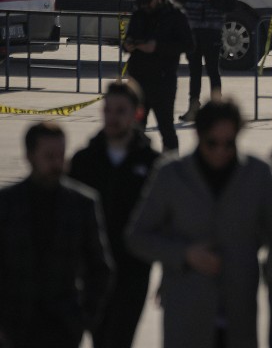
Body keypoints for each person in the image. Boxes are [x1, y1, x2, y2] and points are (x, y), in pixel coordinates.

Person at [127, 99, 272, 348]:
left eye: (229, 144)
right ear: (199, 135)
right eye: (212, 143)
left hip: (239, 314)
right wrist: (184, 254)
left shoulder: (260, 173)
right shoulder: (171, 174)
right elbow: (137, 236)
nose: (220, 151)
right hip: (187, 312)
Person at [0, 122, 113, 348]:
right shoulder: (7, 204)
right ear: (30, 156)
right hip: (15, 328)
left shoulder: (82, 204)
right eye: (49, 156)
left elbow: (100, 268)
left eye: (61, 155)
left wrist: (84, 319)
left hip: (63, 328)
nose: (56, 163)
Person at [69, 81, 159, 348]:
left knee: (120, 339)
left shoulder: (152, 163)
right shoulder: (84, 161)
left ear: (137, 114)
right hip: (92, 271)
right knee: (100, 338)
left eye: (121, 111)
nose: (112, 117)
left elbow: (166, 220)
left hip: (134, 270)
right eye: (108, 110)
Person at [124, 0, 193, 152]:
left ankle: (171, 166)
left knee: (166, 127)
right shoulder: (139, 14)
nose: (146, 6)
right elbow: (128, 38)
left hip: (163, 81)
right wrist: (128, 44)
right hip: (138, 81)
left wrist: (158, 47)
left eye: (148, 1)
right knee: (135, 128)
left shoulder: (174, 15)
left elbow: (189, 45)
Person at [173, 0, 235, 122]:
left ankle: (218, 108)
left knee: (213, 70)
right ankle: (193, 106)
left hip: (211, 32)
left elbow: (230, 4)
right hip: (193, 32)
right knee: (194, 71)